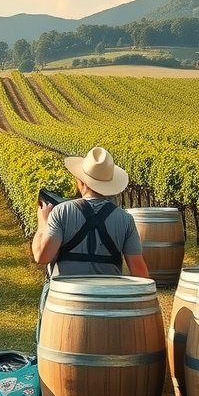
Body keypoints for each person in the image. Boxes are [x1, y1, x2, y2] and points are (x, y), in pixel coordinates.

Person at [31, 146, 150, 340]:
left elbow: (42, 256)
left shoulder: (61, 212)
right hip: (109, 305)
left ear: (81, 182)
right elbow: (140, 274)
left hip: (65, 303)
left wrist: (43, 223)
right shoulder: (126, 220)